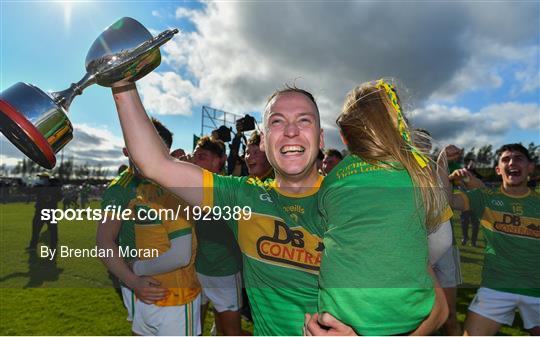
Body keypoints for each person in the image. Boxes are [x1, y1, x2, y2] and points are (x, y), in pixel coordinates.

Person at [109, 82, 448, 335]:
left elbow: (438, 308)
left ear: (319, 141)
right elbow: (154, 163)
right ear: (266, 143)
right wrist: (123, 83)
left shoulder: (357, 198)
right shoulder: (242, 197)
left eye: (304, 120)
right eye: (276, 122)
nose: (289, 130)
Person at [313, 79, 446, 335]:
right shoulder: (419, 174)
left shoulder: (332, 180)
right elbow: (441, 243)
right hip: (412, 314)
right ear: (400, 124)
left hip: (339, 317)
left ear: (344, 135)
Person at [96, 118, 201, 335]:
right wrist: (132, 279)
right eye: (143, 149)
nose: (150, 158)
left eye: (159, 152)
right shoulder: (121, 189)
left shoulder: (171, 183)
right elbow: (104, 240)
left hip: (171, 285)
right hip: (134, 282)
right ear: (127, 150)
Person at [439, 143, 540, 335]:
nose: (511, 162)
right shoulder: (484, 198)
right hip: (496, 288)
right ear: (498, 169)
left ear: (530, 167)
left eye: (518, 158)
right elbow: (445, 201)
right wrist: (443, 162)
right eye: (505, 159)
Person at [190, 136, 244, 336]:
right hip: (196, 272)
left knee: (230, 333)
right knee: (193, 330)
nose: (195, 161)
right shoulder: (190, 189)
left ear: (218, 161)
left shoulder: (229, 188)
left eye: (202, 156)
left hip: (225, 273)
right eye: (195, 156)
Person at [415, 128, 462, 335]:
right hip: (418, 252)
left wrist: (442, 160)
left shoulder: (435, 170)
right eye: (417, 141)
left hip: (445, 255)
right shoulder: (400, 171)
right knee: (417, 316)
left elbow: (447, 201)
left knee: (450, 317)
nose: (422, 146)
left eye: (426, 143)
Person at [27, 173, 63, 251]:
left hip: (47, 211)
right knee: (37, 229)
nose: (39, 179)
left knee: (50, 230)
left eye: (41, 178)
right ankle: (34, 246)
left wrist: (51, 198)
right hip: (43, 210)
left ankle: (52, 247)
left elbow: (60, 197)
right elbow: (30, 191)